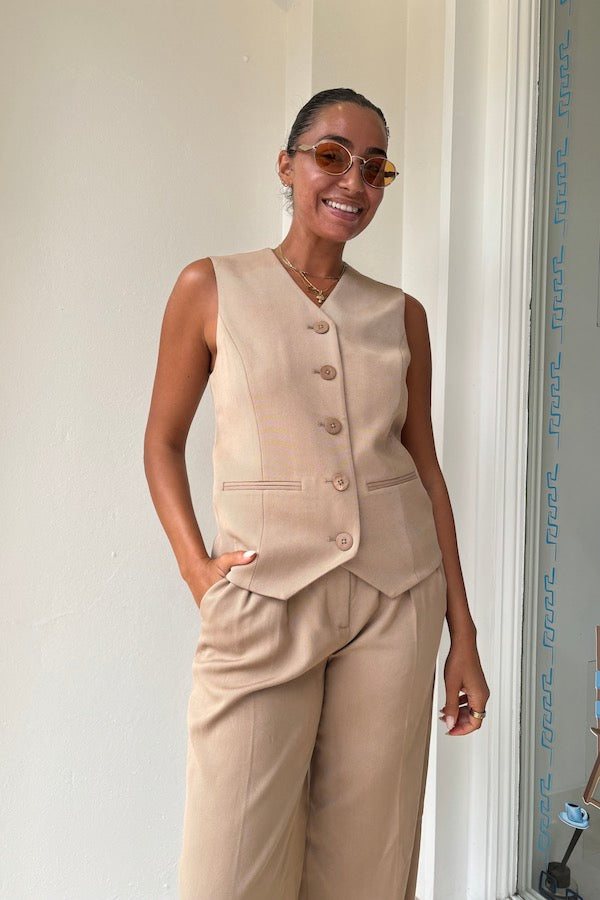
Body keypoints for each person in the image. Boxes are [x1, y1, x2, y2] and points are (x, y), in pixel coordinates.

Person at [144, 87, 489, 900]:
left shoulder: (401, 315)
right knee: (227, 872)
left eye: (375, 168)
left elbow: (425, 468)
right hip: (262, 598)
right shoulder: (211, 287)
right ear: (287, 165)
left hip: (396, 600)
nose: (353, 182)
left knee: (368, 867)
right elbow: (161, 442)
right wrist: (198, 571)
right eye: (331, 156)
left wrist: (462, 633)